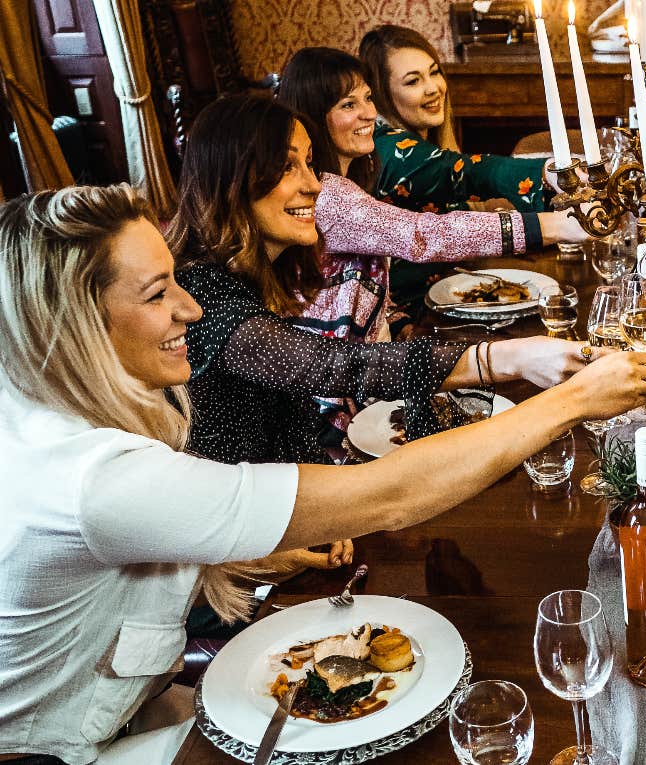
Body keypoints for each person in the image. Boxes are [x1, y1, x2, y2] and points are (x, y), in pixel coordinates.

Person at [0, 184, 646, 763]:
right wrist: (573, 399)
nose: (188, 309)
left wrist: (227, 559)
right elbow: (393, 494)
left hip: (131, 708)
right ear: (77, 323)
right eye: (156, 294)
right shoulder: (96, 477)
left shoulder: (42, 409)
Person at [166, 95, 591, 466]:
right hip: (244, 534)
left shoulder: (252, 271)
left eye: (309, 162)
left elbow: (287, 421)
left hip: (285, 499)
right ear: (231, 182)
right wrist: (512, 358)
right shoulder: (203, 295)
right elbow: (333, 366)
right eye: (285, 167)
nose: (315, 186)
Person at [277, 46, 589, 343]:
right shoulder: (327, 195)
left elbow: (353, 289)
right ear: (315, 116)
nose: (369, 113)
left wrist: (401, 326)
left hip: (366, 365)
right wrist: (553, 226)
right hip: (342, 389)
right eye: (349, 104)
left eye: (368, 98)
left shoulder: (351, 180)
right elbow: (423, 235)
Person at [358, 24, 554, 315]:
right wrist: (548, 172)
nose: (433, 88)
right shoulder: (392, 152)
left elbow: (441, 212)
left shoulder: (410, 142)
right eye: (412, 81)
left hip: (443, 296)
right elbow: (469, 171)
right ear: (383, 93)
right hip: (406, 318)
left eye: (434, 72)